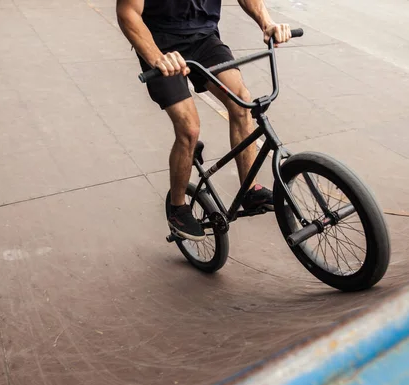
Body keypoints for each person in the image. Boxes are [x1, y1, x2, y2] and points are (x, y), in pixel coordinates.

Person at [116, 0, 292, 241]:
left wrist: (267, 22)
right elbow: (128, 12)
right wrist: (157, 57)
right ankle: (178, 208)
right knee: (189, 128)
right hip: (160, 43)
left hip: (203, 38)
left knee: (242, 102)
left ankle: (249, 190)